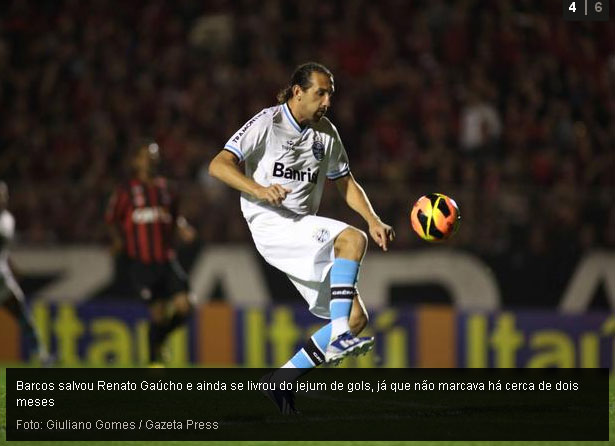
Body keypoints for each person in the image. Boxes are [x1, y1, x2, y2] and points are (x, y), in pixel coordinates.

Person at [209, 62, 395, 413]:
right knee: (352, 241)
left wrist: (373, 218)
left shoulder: (326, 133)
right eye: (320, 93)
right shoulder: (268, 123)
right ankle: (339, 334)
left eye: (330, 94)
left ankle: (282, 382)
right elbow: (218, 165)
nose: (327, 101)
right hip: (271, 222)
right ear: (298, 91)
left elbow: (345, 182)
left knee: (356, 317)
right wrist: (259, 189)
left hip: (301, 228)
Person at [106, 141, 197, 366]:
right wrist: (118, 241)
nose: (151, 160)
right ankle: (153, 361)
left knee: (186, 306)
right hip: (142, 263)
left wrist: (183, 227)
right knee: (157, 314)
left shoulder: (167, 189)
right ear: (136, 160)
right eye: (146, 156)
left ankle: (160, 339)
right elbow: (111, 220)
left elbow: (174, 216)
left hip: (166, 259)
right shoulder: (126, 191)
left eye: (154, 156)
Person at [0, 181, 51, 365]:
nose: (2, 198)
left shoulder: (7, 219)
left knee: (23, 317)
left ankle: (42, 356)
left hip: (2, 279)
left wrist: (13, 269)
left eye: (4, 195)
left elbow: (4, 251)